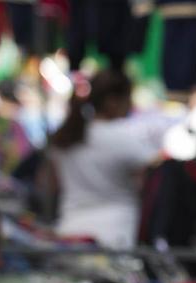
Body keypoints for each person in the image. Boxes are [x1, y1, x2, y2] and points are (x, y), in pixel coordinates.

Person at [46, 69, 171, 248]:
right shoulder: (123, 136)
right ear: (113, 101)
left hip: (69, 232)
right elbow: (157, 165)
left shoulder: (66, 136)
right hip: (116, 235)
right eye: (128, 98)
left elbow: (49, 182)